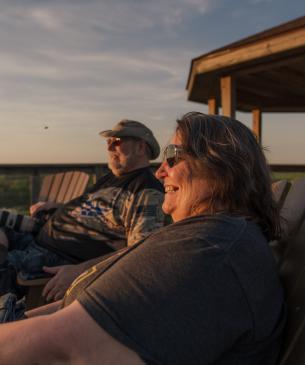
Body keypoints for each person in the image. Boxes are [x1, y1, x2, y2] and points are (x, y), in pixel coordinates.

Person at [0, 112, 285, 365]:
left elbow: (63, 346)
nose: (161, 171)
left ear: (220, 164)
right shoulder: (209, 239)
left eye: (173, 155)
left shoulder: (208, 250)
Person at [0, 119, 165, 301]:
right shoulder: (110, 178)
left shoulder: (146, 191)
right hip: (39, 235)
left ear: (141, 147)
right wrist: (59, 208)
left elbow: (140, 252)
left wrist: (81, 271)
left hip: (53, 257)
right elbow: (94, 210)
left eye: (116, 141)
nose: (109, 147)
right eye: (108, 142)